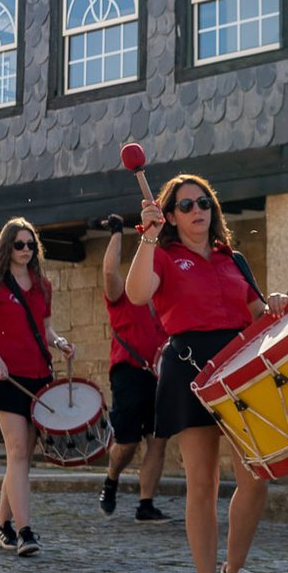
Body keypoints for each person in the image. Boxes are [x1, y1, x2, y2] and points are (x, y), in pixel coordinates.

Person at [126, 173, 285, 573]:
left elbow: (256, 314)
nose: (198, 211)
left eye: (204, 203)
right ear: (171, 216)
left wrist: (272, 302)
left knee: (255, 475)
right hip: (189, 367)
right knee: (203, 482)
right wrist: (148, 240)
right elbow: (137, 295)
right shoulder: (161, 255)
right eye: (187, 205)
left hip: (238, 370)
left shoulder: (232, 258)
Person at [0, 218, 73, 560]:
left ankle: (0, 525)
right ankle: (24, 531)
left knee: (20, 457)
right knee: (18, 451)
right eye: (19, 244)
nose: (26, 250)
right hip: (7, 377)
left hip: (39, 375)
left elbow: (45, 329)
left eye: (31, 245)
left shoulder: (42, 285)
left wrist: (61, 343)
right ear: (8, 246)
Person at [94, 217, 167, 522]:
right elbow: (110, 271)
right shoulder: (122, 296)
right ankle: (111, 480)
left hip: (161, 376)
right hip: (129, 372)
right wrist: (116, 232)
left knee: (157, 438)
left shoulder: (165, 298)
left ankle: (145, 503)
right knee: (127, 443)